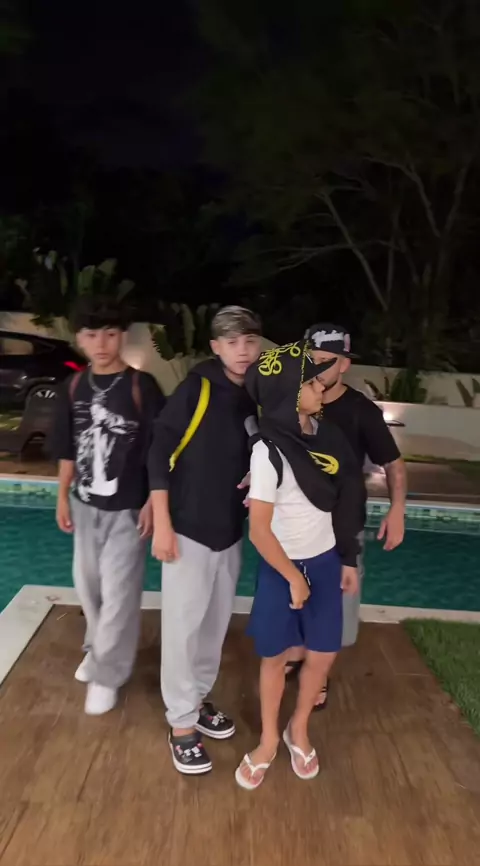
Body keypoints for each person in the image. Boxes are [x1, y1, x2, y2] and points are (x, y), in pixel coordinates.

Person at [235, 339, 363, 790]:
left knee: (322, 655)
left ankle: (298, 728)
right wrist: (292, 578)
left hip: (325, 562)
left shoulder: (326, 437)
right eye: (310, 382)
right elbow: (259, 532)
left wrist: (347, 557)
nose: (320, 386)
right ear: (287, 396)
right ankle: (269, 739)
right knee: (274, 658)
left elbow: (346, 498)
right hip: (281, 568)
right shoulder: (267, 452)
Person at [148, 305, 263, 776]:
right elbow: (159, 451)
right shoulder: (197, 388)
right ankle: (180, 725)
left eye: (250, 341)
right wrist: (162, 522)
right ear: (216, 347)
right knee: (182, 629)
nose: (243, 350)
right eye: (232, 342)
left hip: (229, 532)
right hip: (188, 529)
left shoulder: (256, 393)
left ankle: (196, 699)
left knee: (214, 626)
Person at [52, 296, 165, 715]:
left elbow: (159, 450)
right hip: (85, 505)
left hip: (127, 508)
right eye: (91, 335)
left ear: (122, 337)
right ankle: (98, 649)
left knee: (119, 593)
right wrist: (62, 496)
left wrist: (153, 501)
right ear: (79, 339)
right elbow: (67, 448)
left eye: (110, 334)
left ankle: (107, 676)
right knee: (88, 585)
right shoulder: (73, 386)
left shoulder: (142, 387)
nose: (101, 344)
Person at [284, 323, 407, 708]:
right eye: (312, 360)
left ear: (344, 364)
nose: (318, 368)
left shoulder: (361, 411)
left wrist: (398, 509)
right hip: (296, 523)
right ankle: (297, 653)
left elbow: (393, 463)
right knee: (293, 592)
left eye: (327, 361)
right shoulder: (294, 400)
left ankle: (318, 674)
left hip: (342, 525)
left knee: (334, 604)